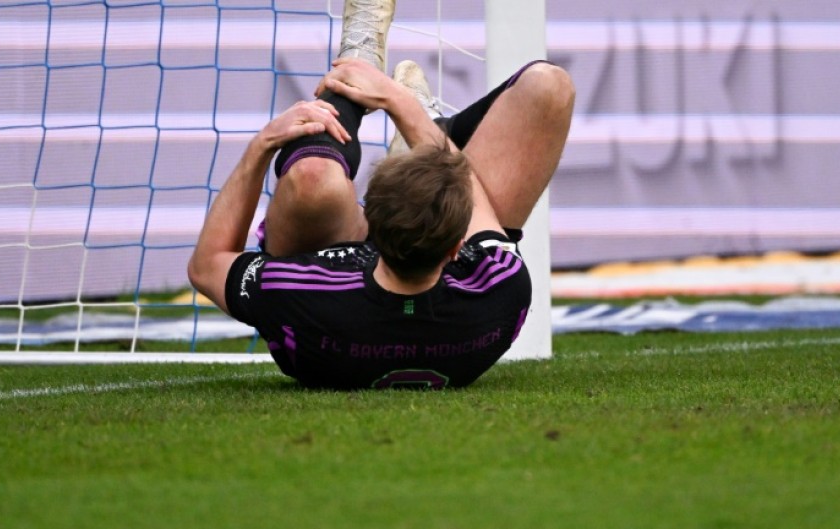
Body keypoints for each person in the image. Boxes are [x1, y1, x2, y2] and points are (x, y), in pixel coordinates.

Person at [188, 0, 575, 389]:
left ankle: (357, 66)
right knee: (550, 86)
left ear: (369, 215)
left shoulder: (294, 292)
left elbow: (206, 266)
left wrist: (263, 145)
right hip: (422, 280)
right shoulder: (500, 286)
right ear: (458, 246)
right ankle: (418, 129)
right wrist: (399, 102)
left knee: (312, 180)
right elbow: (466, 189)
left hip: (332, 280)